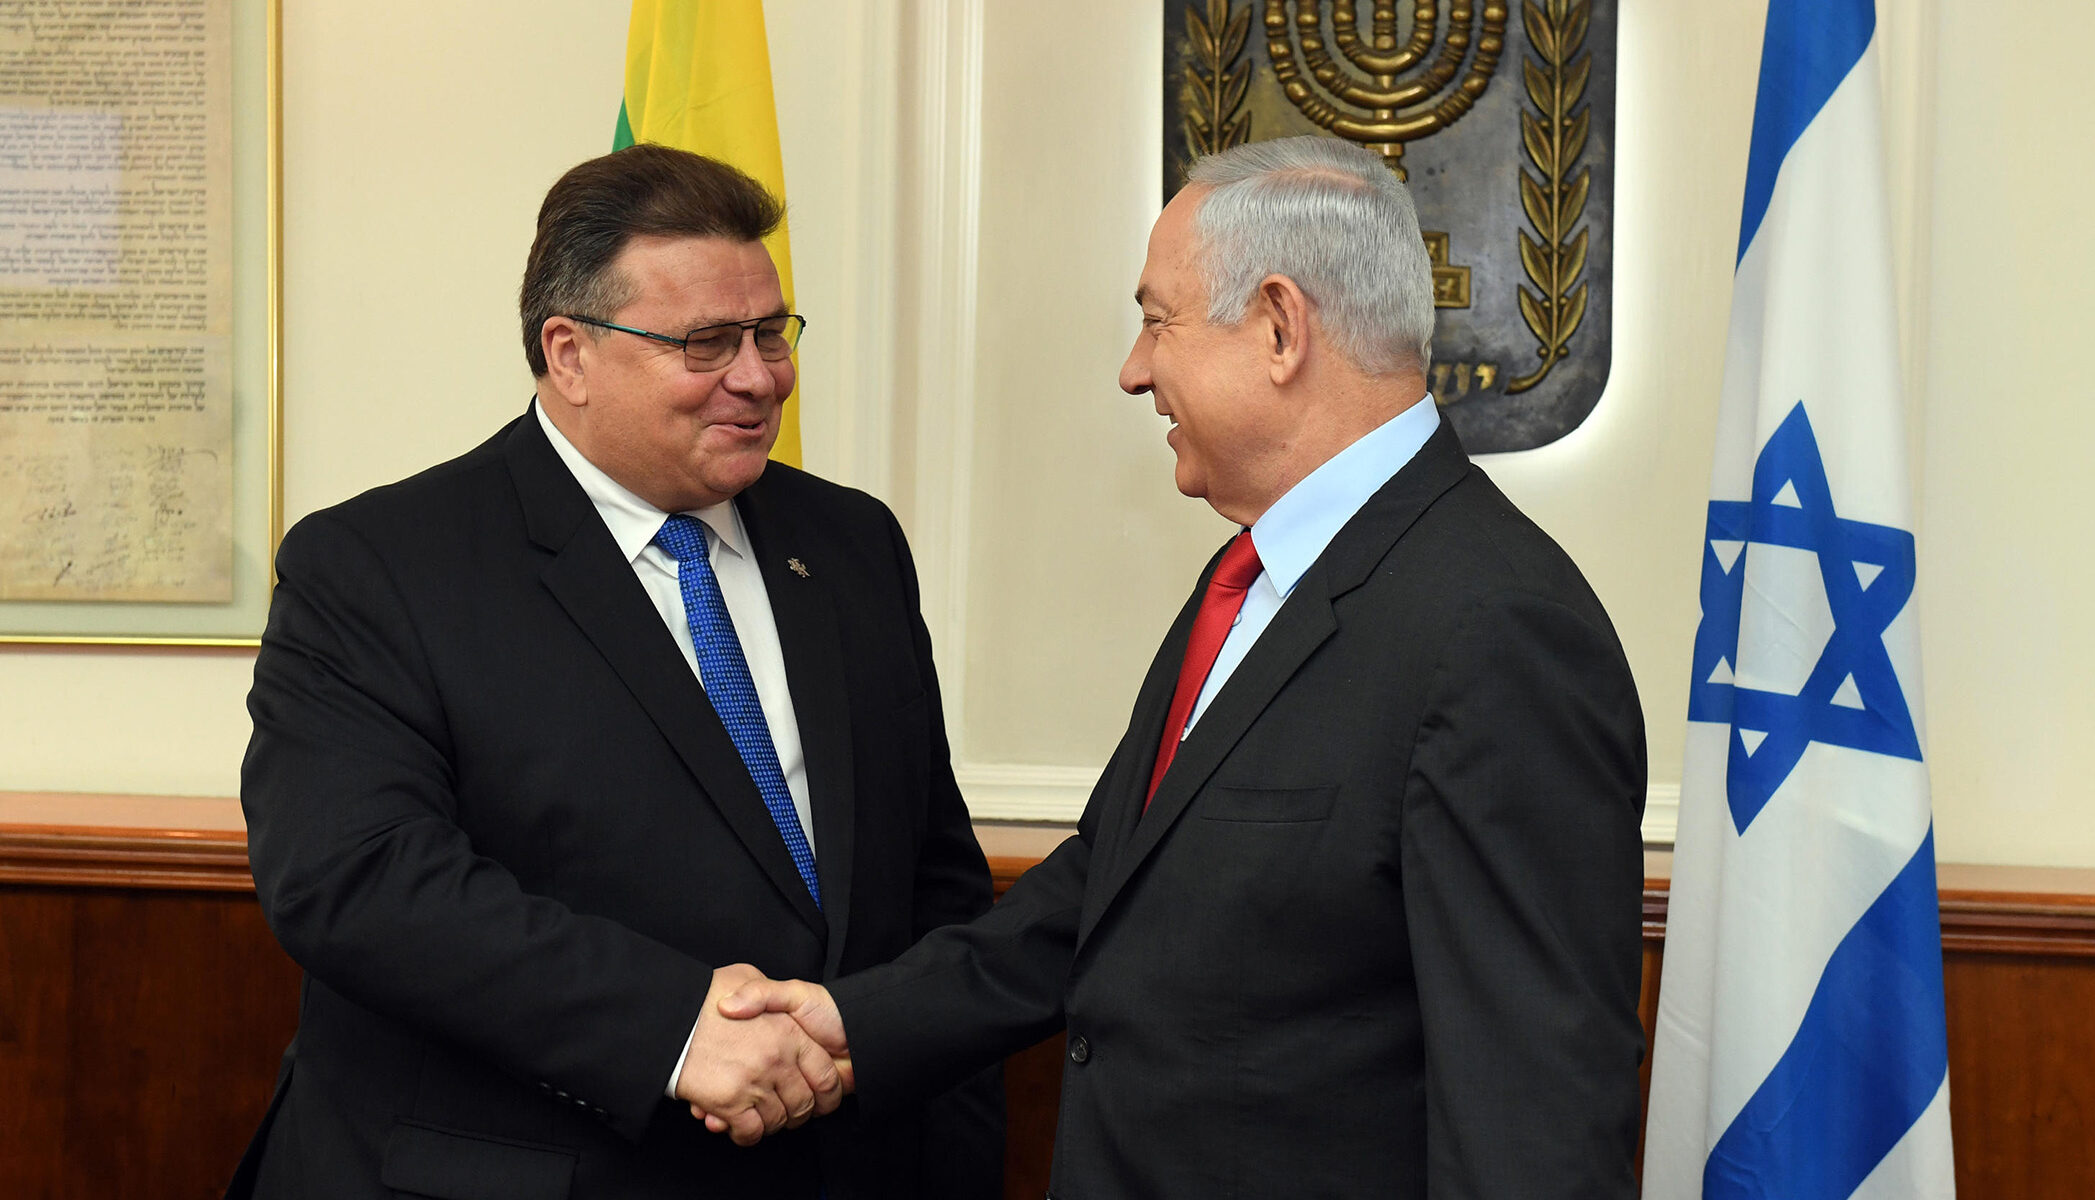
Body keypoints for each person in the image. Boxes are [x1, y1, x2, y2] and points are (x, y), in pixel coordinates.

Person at [714, 135, 1649, 1197]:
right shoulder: (1249, 577)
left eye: (1158, 321)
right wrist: (847, 1021)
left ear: (1281, 328)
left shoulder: (1499, 631)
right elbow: (1107, 889)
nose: (1134, 368)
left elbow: (1533, 1115)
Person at [228, 144, 1000, 1200]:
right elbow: (356, 880)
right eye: (706, 342)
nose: (757, 376)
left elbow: (934, 885)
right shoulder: (380, 565)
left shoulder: (853, 544)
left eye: (771, 333)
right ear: (570, 353)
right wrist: (679, 1028)